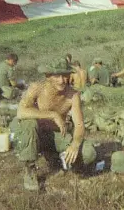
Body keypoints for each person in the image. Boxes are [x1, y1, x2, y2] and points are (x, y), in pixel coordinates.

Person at [9, 59, 97, 190]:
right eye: (56, 76)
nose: (61, 80)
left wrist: (75, 144)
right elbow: (21, 112)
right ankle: (30, 169)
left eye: (64, 75)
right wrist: (53, 115)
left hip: (54, 135)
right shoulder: (36, 88)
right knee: (29, 124)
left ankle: (56, 158)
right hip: (34, 133)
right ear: (48, 76)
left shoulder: (72, 95)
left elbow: (79, 126)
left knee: (88, 152)